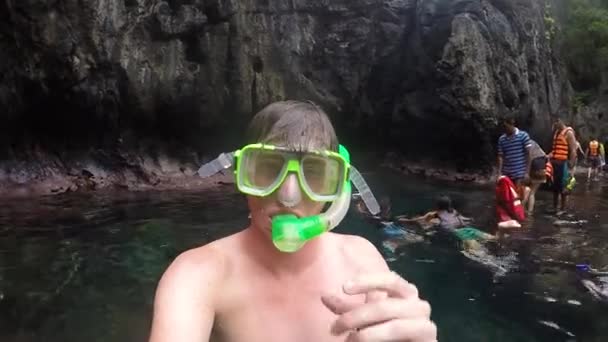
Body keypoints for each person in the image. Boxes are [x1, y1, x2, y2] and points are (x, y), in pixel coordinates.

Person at [149, 101, 436, 342]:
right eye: (267, 169)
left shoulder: (361, 260)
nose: (288, 196)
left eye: (314, 174)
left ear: (339, 188)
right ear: (239, 174)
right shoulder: (198, 275)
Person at [398, 195, 496, 252]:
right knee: (492, 239)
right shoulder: (454, 211)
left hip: (459, 234)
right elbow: (463, 219)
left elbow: (420, 219)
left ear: (438, 205)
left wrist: (406, 221)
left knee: (480, 254)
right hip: (468, 229)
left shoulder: (435, 214)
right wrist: (470, 219)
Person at [497, 117, 532, 198]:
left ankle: (521, 210)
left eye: (506, 126)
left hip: (519, 173)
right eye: (503, 127)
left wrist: (527, 172)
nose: (505, 129)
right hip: (507, 173)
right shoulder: (502, 139)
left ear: (512, 124)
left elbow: (529, 154)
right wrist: (499, 173)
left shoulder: (523, 136)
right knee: (507, 196)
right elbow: (500, 156)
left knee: (517, 196)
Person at [548, 117, 577, 214]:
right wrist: (548, 156)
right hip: (554, 163)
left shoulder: (568, 133)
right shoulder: (556, 133)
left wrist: (571, 165)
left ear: (559, 121)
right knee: (555, 187)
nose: (554, 126)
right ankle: (555, 207)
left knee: (564, 186)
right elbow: (555, 149)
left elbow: (573, 150)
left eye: (555, 123)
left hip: (563, 163)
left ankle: (563, 209)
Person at [523, 140, 549, 214]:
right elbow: (546, 157)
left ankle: (521, 208)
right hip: (541, 165)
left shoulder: (523, 143)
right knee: (532, 192)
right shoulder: (534, 144)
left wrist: (526, 172)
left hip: (533, 164)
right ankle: (529, 212)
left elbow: (528, 158)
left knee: (525, 189)